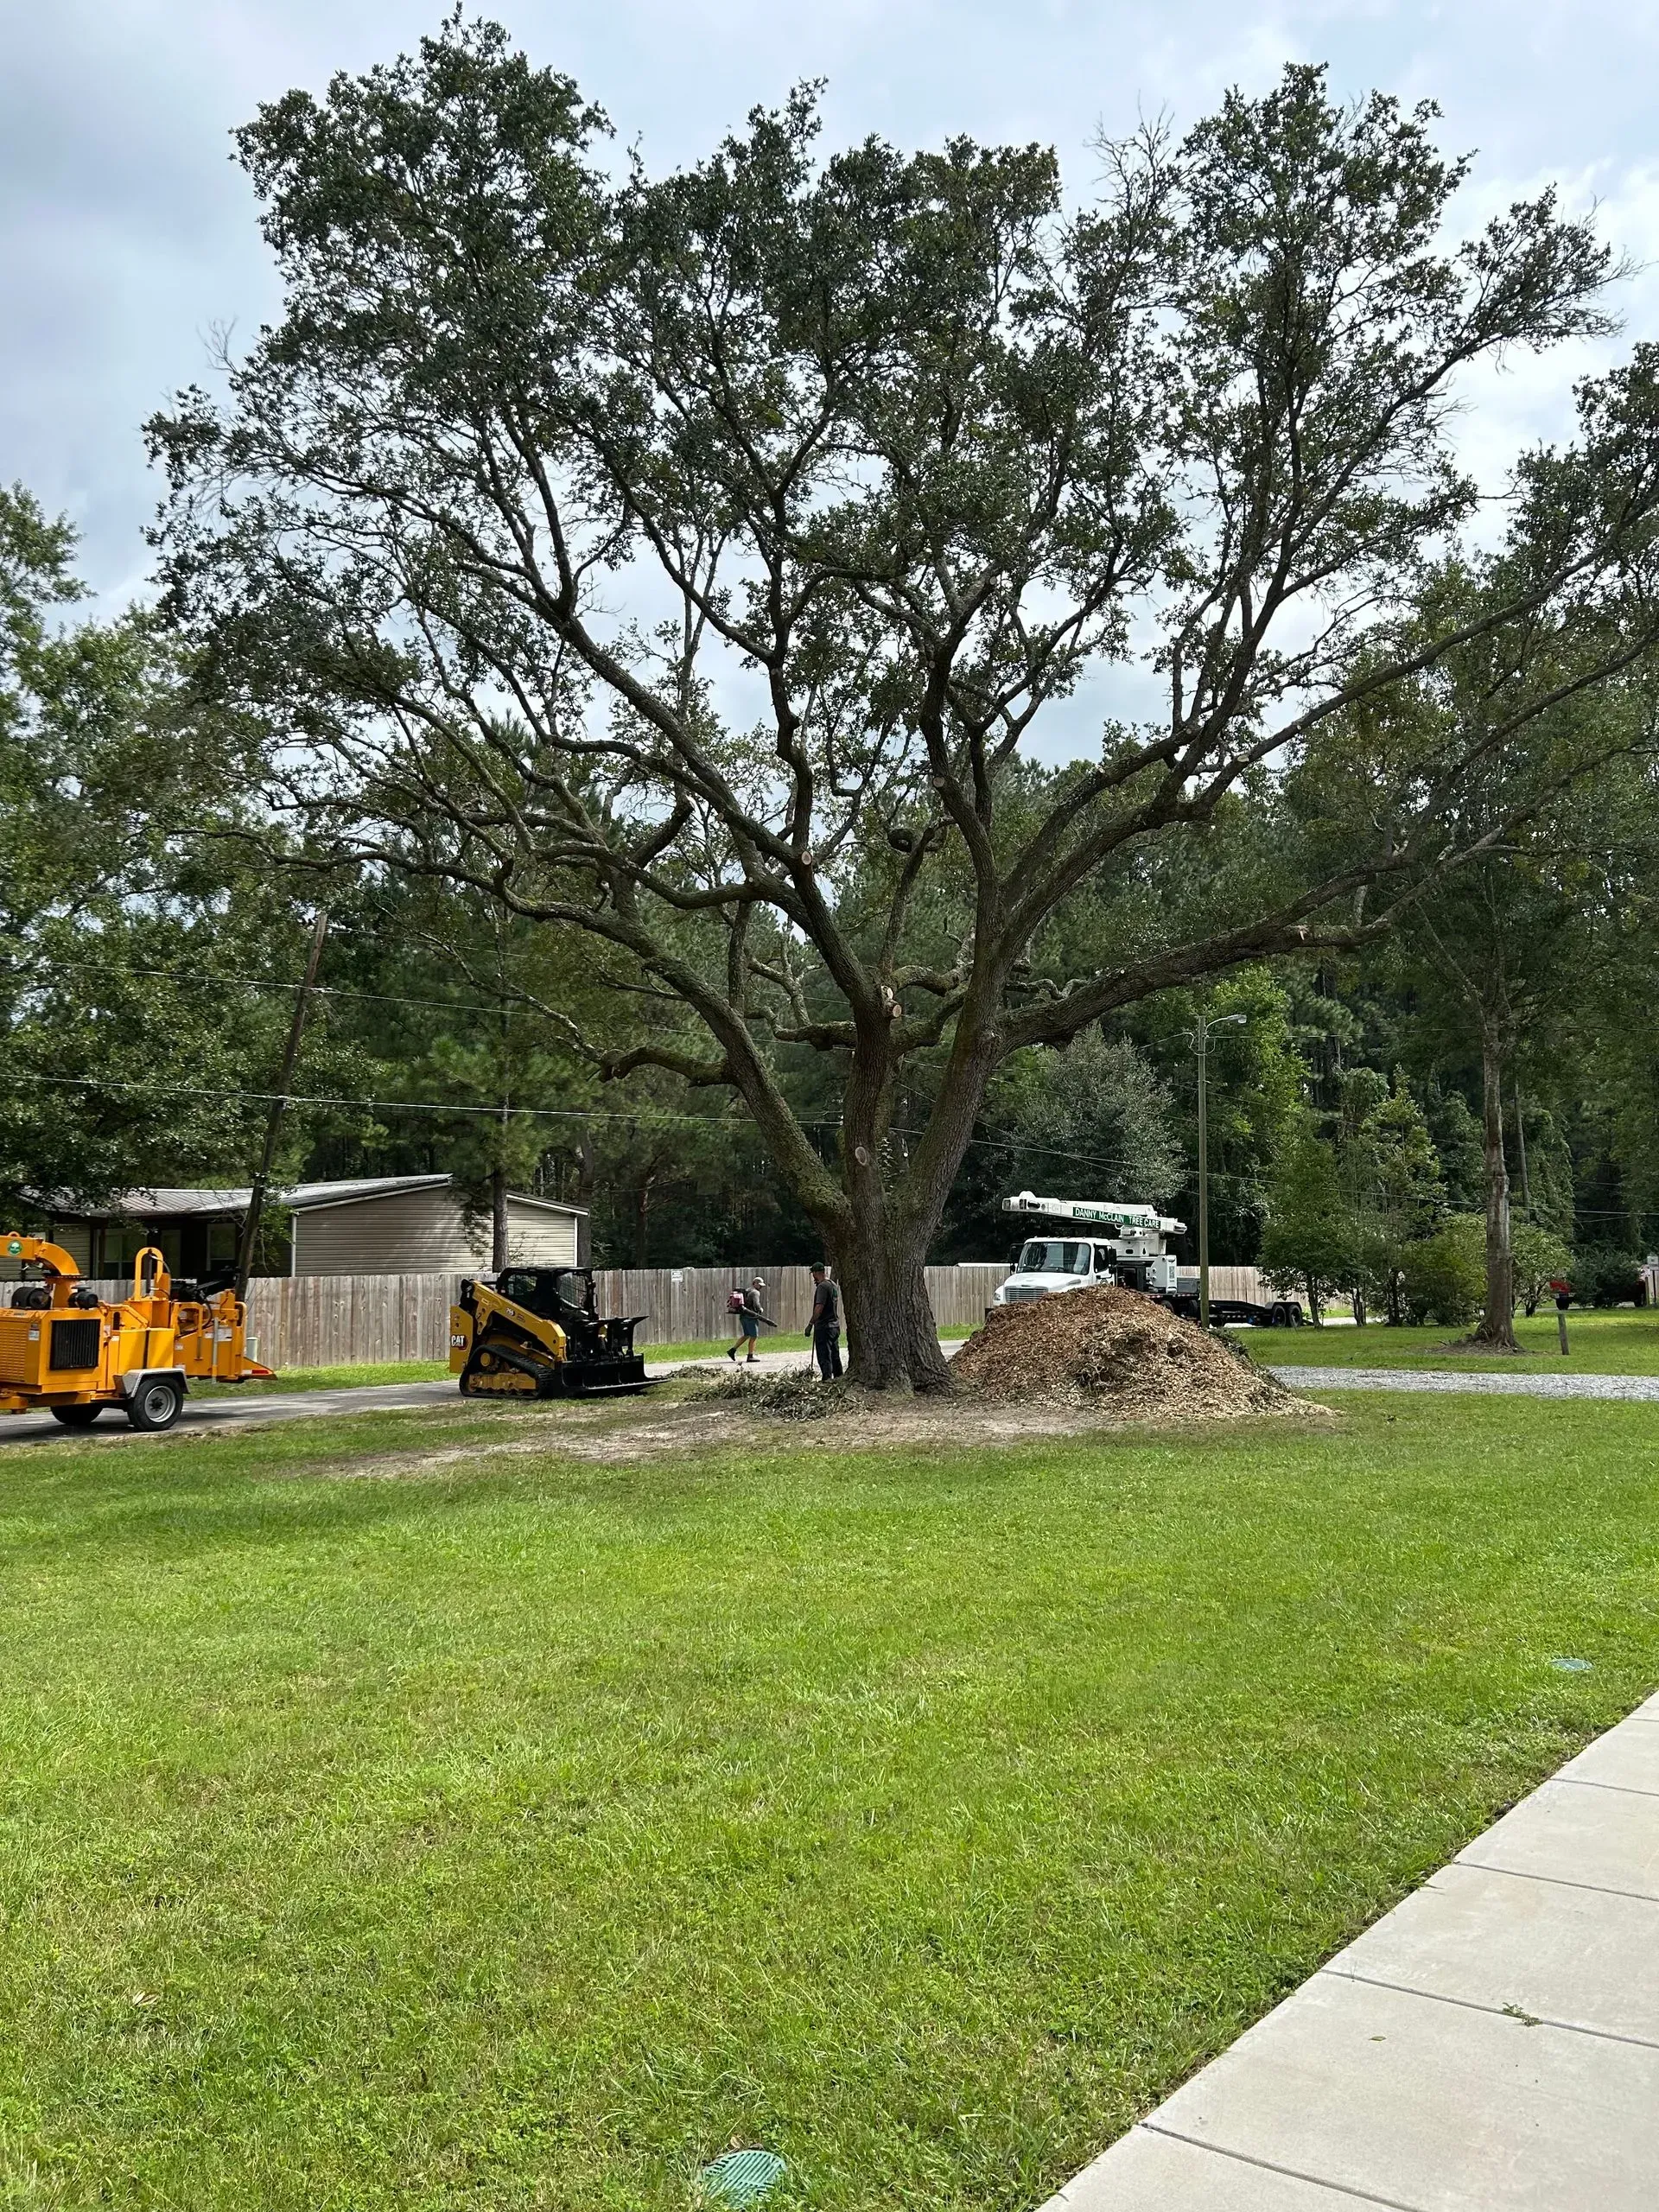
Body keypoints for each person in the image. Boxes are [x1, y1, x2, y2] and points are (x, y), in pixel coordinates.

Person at [805, 1262, 842, 1379]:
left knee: (824, 1355)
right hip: (835, 1326)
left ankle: (827, 1380)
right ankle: (838, 1377)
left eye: (813, 1275)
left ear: (817, 1273)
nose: (813, 1278)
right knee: (835, 1354)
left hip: (824, 1327)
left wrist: (811, 1324)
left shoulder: (822, 1287)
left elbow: (819, 1307)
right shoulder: (832, 1285)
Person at [728, 1276, 772, 1363]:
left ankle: (732, 1350)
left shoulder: (747, 1290)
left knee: (747, 1335)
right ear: (754, 1283)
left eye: (761, 1285)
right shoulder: (755, 1292)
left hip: (743, 1316)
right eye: (759, 1285)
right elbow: (756, 1304)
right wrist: (760, 1309)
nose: (760, 1287)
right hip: (750, 1317)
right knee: (754, 1336)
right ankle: (750, 1356)